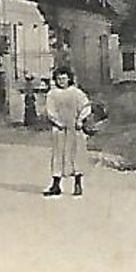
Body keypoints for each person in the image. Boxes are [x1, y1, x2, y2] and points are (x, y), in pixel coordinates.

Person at [43, 67, 94, 198]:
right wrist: (57, 122)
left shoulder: (77, 93)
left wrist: (80, 120)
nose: (61, 81)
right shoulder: (52, 94)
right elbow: (50, 110)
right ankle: (56, 184)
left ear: (69, 78)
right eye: (59, 79)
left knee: (76, 155)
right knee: (58, 155)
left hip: (75, 128)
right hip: (59, 129)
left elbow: (86, 107)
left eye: (64, 78)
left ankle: (77, 184)